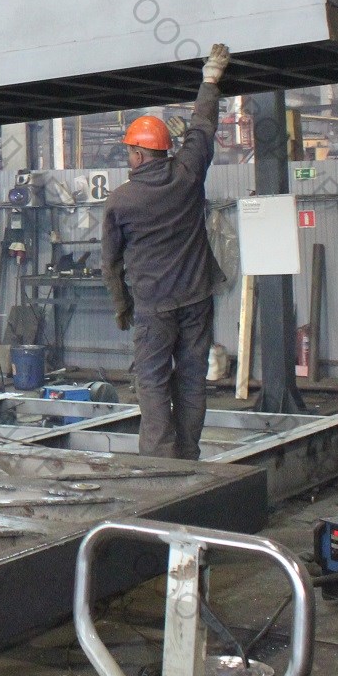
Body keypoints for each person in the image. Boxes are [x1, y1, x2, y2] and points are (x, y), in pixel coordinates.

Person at [102, 43, 232, 460]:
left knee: (153, 381)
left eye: (129, 151)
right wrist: (210, 78)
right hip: (196, 300)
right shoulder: (187, 173)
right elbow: (202, 128)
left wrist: (122, 306)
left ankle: (161, 465)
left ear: (139, 154)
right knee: (192, 379)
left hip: (154, 307)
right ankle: (188, 457)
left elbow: (110, 262)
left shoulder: (121, 201)